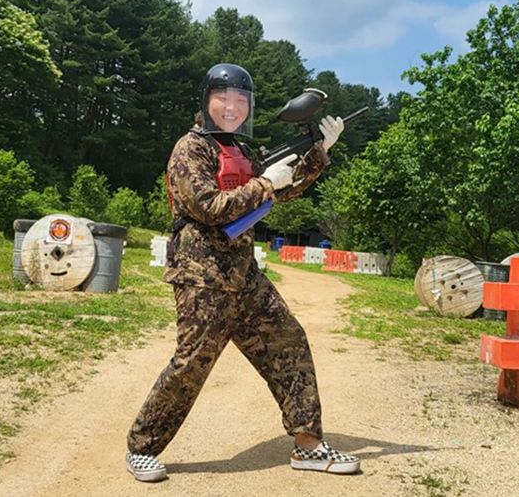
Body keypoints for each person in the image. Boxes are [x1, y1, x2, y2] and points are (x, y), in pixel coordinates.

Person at [125, 63, 358, 482]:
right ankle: (141, 447)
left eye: (240, 99)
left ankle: (308, 445)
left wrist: (319, 151)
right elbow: (209, 206)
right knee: (191, 364)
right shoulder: (191, 149)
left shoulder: (243, 151)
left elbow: (283, 190)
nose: (231, 106)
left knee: (288, 341)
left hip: (245, 276)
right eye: (223, 97)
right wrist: (265, 184)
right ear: (206, 101)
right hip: (203, 277)